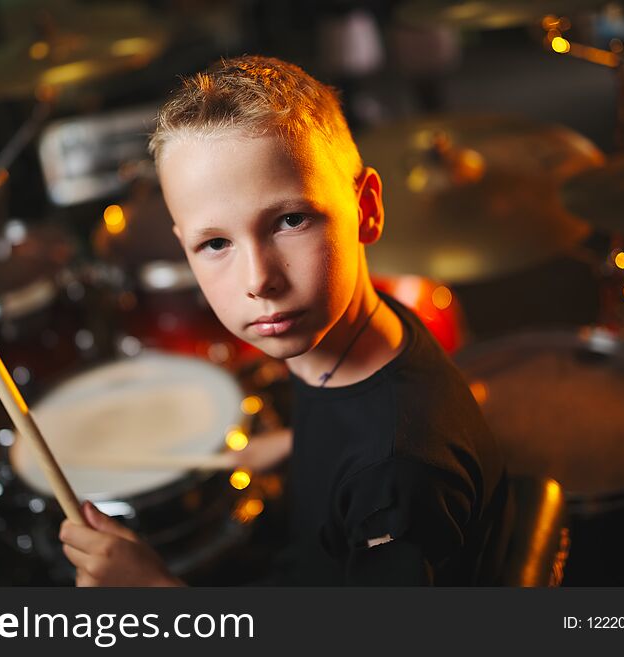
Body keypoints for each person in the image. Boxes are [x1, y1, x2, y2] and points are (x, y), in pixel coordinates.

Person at [59, 55, 513, 586]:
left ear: (365, 209)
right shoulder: (351, 340)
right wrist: (299, 442)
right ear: (185, 248)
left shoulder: (395, 477)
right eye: (215, 243)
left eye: (291, 220)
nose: (259, 280)